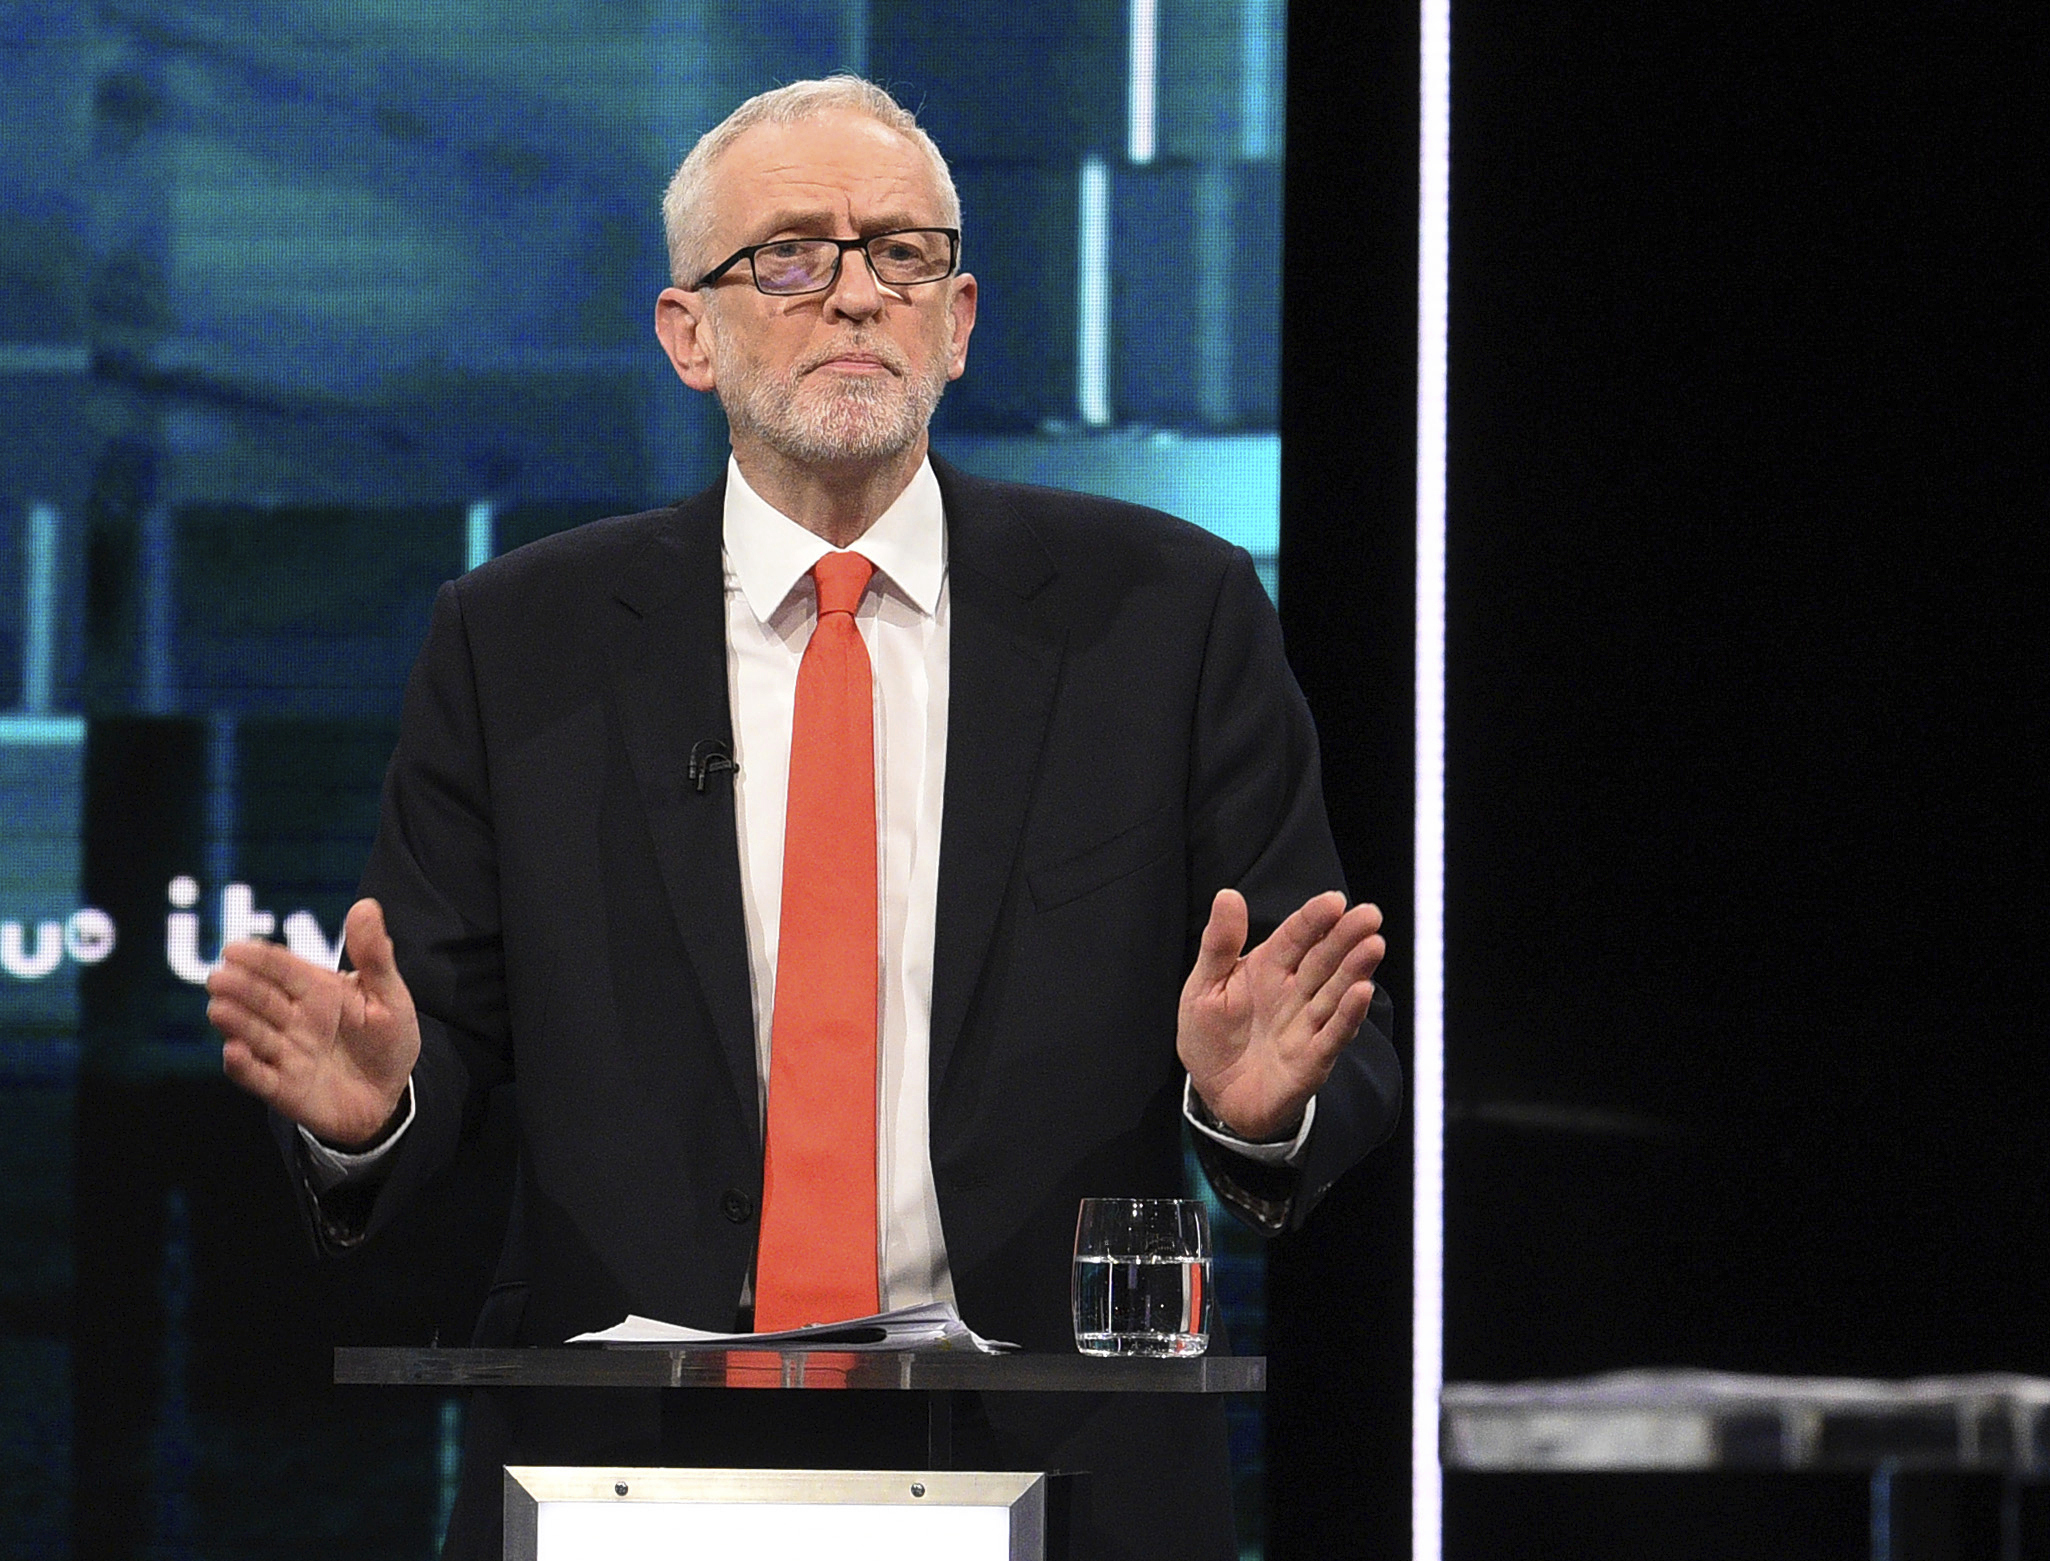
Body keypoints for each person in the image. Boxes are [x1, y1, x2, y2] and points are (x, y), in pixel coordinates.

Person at [206, 76, 1400, 1561]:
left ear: (959, 320)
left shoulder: (1171, 615)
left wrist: (1252, 1104)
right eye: (787, 255)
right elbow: (436, 1046)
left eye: (900, 254)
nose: (852, 295)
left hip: (1059, 1474)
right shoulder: (518, 641)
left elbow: (1332, 1046)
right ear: (685, 335)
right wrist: (372, 1111)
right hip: (622, 1478)